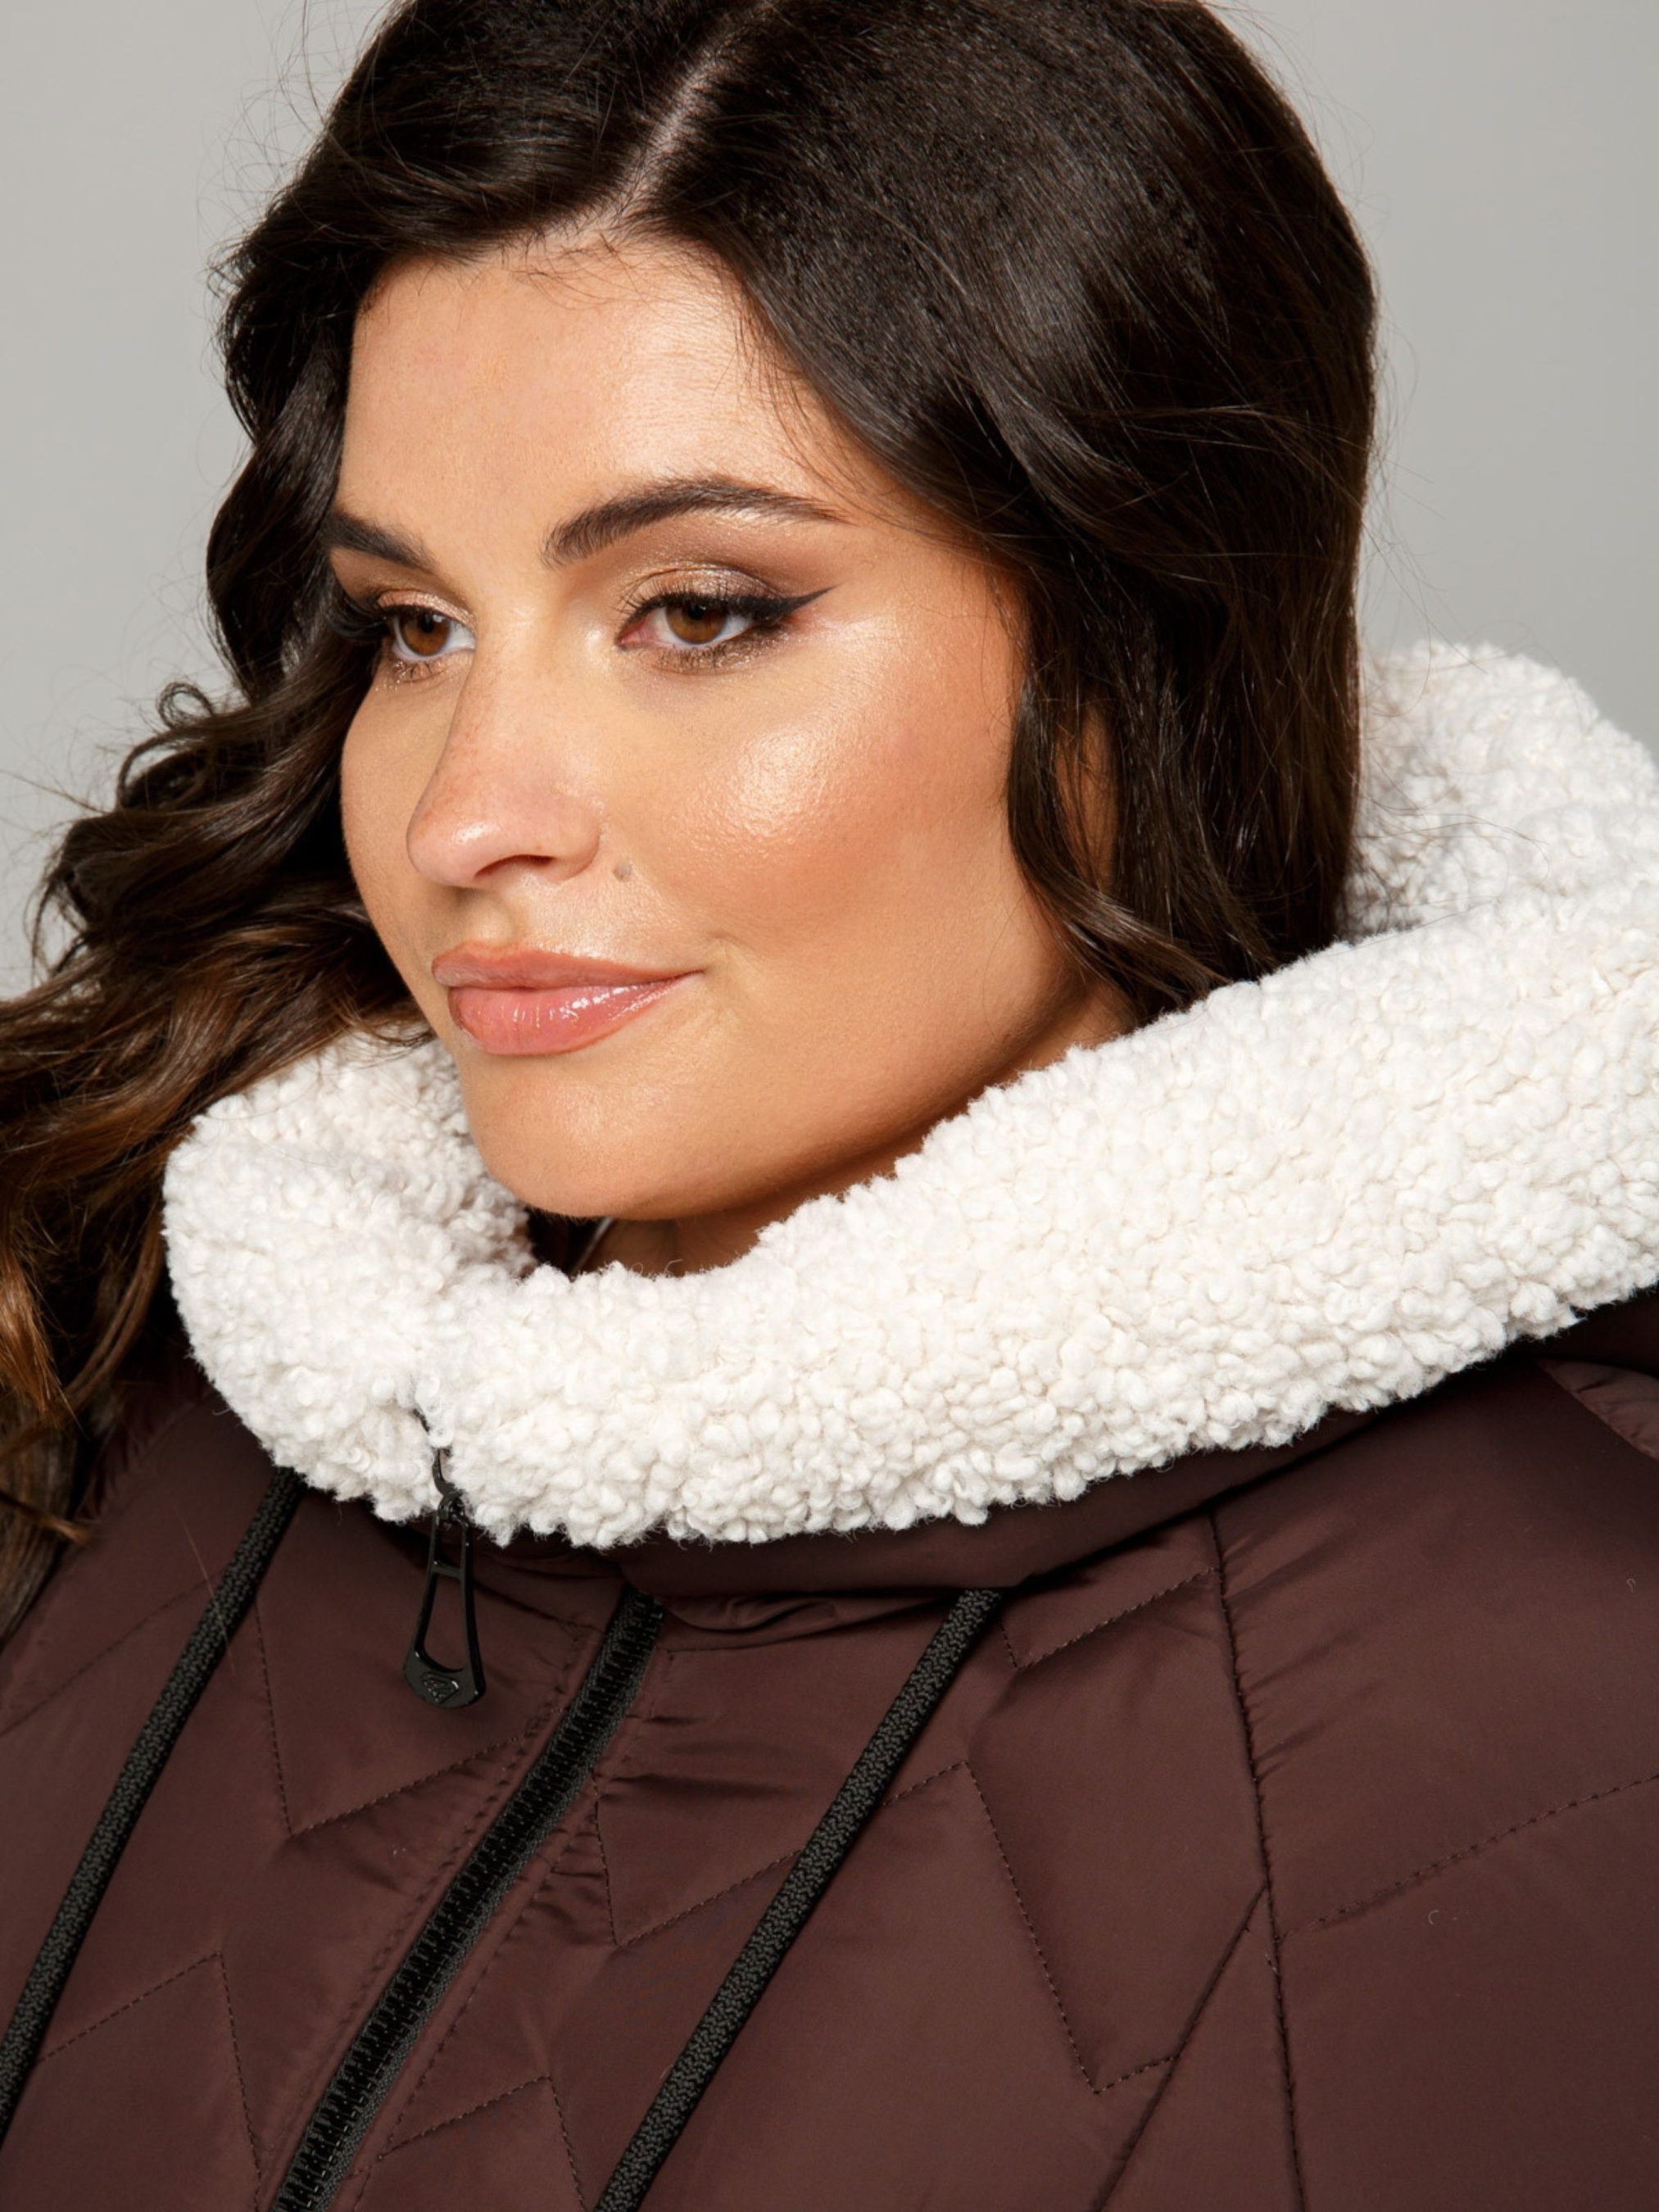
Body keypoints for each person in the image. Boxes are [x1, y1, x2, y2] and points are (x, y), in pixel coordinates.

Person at [2, 1, 1657, 2205]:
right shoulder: (111, 1362)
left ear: (1144, 644)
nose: (466, 814)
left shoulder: (1562, 1707)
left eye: (700, 612)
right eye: (412, 625)